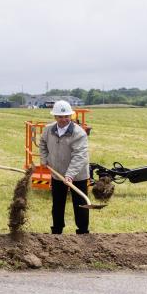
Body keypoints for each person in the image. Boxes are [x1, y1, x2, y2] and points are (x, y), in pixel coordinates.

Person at [40, 100, 90, 235]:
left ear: (71, 116)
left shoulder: (79, 133)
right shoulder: (48, 129)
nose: (63, 119)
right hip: (57, 173)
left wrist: (70, 175)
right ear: (55, 117)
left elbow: (79, 156)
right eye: (60, 117)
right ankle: (57, 231)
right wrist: (44, 159)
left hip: (77, 175)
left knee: (80, 205)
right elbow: (43, 143)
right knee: (57, 204)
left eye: (66, 116)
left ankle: (83, 232)